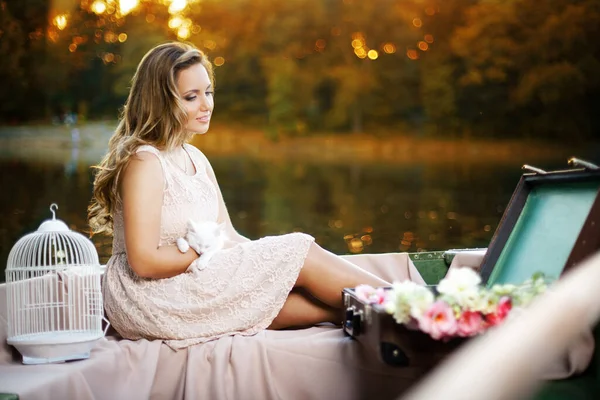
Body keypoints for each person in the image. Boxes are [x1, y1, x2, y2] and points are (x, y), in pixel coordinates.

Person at [88, 42, 391, 349]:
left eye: (208, 92)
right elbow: (144, 262)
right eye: (191, 97)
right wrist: (205, 248)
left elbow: (228, 235)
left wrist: (266, 262)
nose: (206, 104)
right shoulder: (145, 162)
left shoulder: (195, 158)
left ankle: (404, 314)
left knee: (314, 297)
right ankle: (410, 302)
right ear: (160, 101)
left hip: (194, 281)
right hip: (149, 297)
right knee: (300, 249)